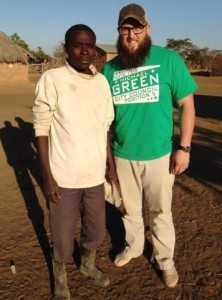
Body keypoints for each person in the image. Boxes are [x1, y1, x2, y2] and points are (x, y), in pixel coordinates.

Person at [102, 3, 197, 288]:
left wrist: (185, 147)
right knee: (128, 210)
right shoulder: (110, 69)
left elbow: (188, 106)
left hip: (159, 155)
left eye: (137, 27)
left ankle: (165, 260)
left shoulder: (168, 60)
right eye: (125, 28)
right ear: (119, 31)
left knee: (160, 212)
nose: (131, 34)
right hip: (122, 155)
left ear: (148, 29)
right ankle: (133, 247)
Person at [33, 24, 114, 299]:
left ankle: (87, 265)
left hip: (94, 176)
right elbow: (41, 129)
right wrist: (47, 176)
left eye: (89, 44)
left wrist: (110, 165)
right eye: (78, 44)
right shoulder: (52, 79)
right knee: (63, 238)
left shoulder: (101, 82)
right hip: (63, 178)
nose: (85, 50)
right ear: (66, 47)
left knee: (96, 231)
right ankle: (60, 277)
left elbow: (104, 126)